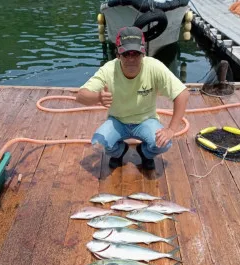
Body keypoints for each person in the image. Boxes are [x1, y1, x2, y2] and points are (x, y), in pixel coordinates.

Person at [76, 26, 189, 170]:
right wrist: (98, 97)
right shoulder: (108, 70)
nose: (131, 59)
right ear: (118, 54)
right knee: (99, 142)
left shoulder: (154, 67)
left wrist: (171, 130)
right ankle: (119, 152)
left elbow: (182, 94)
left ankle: (145, 153)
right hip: (117, 120)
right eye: (126, 53)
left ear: (143, 53)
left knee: (164, 143)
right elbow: (80, 96)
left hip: (146, 120)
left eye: (135, 53)